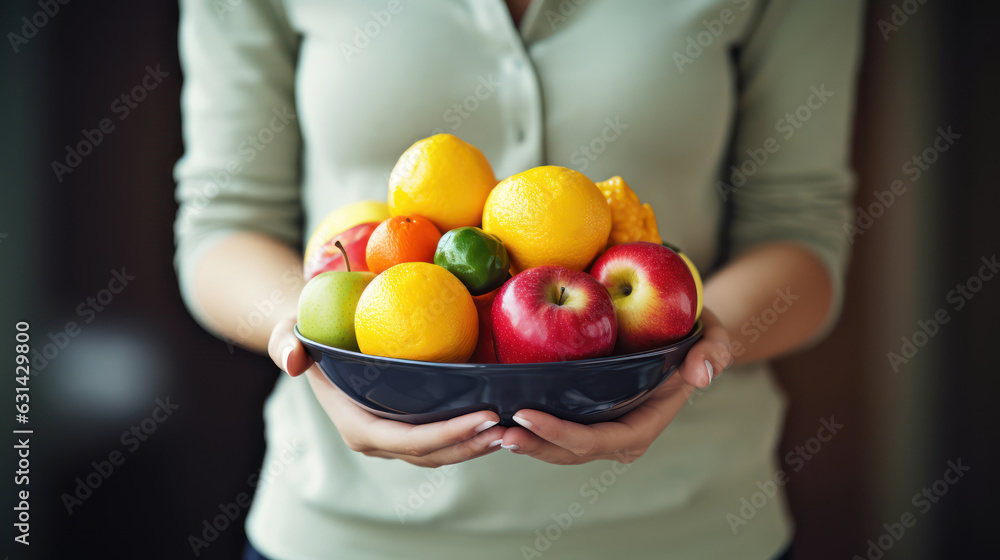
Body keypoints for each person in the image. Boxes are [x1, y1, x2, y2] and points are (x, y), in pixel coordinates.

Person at [173, 0, 863, 558]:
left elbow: (799, 229)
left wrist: (696, 354)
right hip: (346, 532)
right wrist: (313, 343)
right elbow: (221, 222)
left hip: (691, 530)